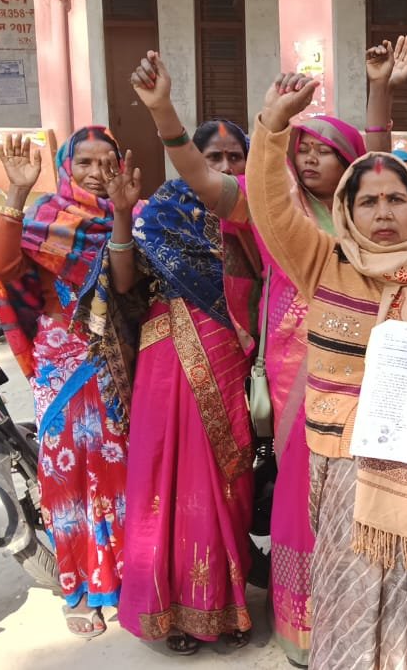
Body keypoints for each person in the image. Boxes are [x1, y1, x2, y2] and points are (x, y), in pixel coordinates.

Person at [250, 72, 407, 669]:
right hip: (344, 471)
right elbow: (270, 207)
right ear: (347, 208)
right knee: (351, 596)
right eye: (369, 201)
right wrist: (272, 125)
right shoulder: (325, 264)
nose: (383, 212)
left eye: (396, 199)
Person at [128, 51, 372, 667]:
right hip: (295, 368)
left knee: (357, 496)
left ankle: (354, 613)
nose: (309, 158)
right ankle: (301, 625)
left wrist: (381, 92)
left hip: (362, 369)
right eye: (301, 148)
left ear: (350, 161)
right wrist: (164, 113)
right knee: (298, 496)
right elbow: (203, 180)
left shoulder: (369, 215)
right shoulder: (272, 206)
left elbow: (384, 163)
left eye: (324, 149)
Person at [0, 129, 137, 638]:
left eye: (107, 161)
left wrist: (121, 214)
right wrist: (17, 191)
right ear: (67, 167)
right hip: (60, 364)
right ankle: (82, 587)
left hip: (117, 358)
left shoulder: (133, 215)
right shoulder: (44, 218)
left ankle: (129, 577)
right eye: (85, 162)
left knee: (121, 470)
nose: (96, 172)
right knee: (65, 476)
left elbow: (128, 285)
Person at [115, 119, 258, 654]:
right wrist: (122, 214)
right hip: (167, 354)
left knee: (227, 479)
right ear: (191, 159)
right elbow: (124, 283)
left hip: (232, 352)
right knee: (165, 477)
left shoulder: (257, 212)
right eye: (213, 157)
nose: (224, 166)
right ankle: (169, 610)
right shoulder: (163, 211)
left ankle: (224, 604)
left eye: (235, 156)